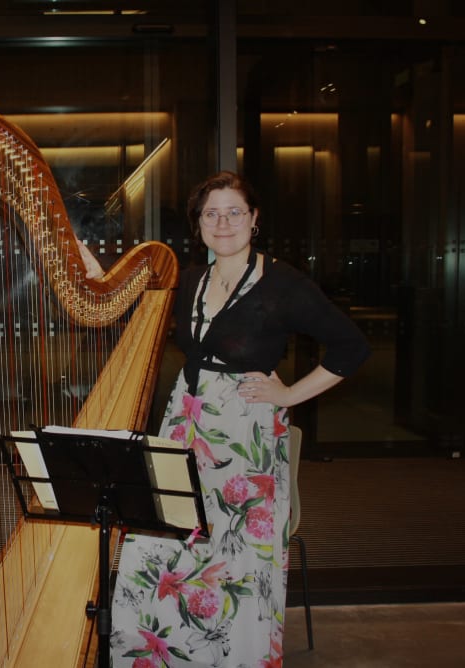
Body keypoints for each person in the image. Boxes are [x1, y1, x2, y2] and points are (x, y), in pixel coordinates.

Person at [110, 171, 370, 667]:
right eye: (211, 213)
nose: (222, 222)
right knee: (163, 543)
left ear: (253, 220)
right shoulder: (189, 281)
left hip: (244, 435)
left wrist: (290, 392)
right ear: (199, 225)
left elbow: (351, 346)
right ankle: (167, 654)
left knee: (234, 558)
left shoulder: (285, 283)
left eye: (234, 212)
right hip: (184, 424)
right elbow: (123, 299)